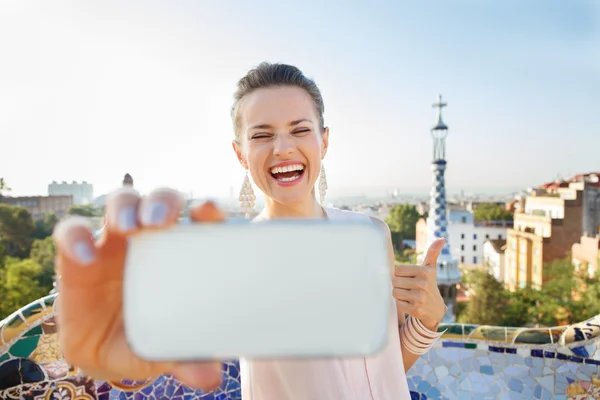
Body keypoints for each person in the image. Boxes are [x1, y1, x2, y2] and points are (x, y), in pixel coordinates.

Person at [53, 62, 448, 399]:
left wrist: (426, 321)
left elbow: (386, 367)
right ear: (240, 153)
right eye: (261, 135)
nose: (282, 148)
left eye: (300, 129)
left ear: (323, 141)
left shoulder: (371, 234)